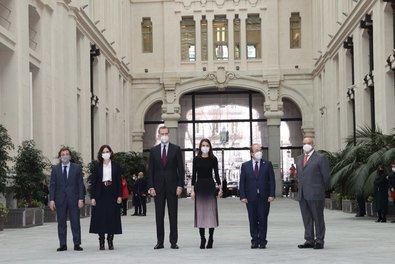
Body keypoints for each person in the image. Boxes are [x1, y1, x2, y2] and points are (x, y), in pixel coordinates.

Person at [148, 126, 185, 249]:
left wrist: (180, 185)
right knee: (159, 216)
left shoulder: (176, 149)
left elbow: (181, 169)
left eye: (166, 133)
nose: (164, 135)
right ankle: (160, 242)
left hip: (172, 187)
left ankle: (173, 242)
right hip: (158, 188)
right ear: (159, 135)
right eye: (162, 133)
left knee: (173, 215)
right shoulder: (153, 151)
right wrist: (151, 187)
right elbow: (150, 171)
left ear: (168, 134)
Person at [296, 137, 331, 250]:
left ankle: (319, 240)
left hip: (316, 193)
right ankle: (309, 240)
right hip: (302, 194)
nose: (306, 145)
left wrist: (321, 190)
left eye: (309, 143)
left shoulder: (320, 158)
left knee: (318, 217)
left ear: (313, 145)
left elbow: (326, 177)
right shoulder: (299, 158)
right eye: (304, 143)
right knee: (307, 218)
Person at [239, 143, 275, 249]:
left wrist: (272, 194)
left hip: (264, 197)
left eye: (260, 150)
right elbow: (242, 182)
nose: (259, 152)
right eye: (256, 150)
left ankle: (263, 240)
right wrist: (242, 196)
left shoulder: (267, 164)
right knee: (253, 219)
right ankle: (254, 240)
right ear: (251, 153)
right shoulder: (245, 166)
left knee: (263, 218)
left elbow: (271, 181)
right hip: (250, 197)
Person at [49, 146, 85, 252]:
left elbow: (80, 184)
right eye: (63, 154)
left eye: (66, 154)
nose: (65, 156)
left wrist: (81, 199)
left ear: (70, 156)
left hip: (74, 199)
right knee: (61, 223)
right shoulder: (55, 169)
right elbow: (52, 185)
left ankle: (77, 244)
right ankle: (63, 244)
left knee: (75, 222)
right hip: (60, 200)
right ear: (60, 157)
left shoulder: (77, 167)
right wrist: (51, 200)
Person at [89, 145, 122, 250]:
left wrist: (119, 195)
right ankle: (101, 240)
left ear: (111, 153)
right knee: (100, 217)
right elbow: (93, 183)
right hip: (100, 193)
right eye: (104, 152)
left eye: (107, 151)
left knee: (112, 216)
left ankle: (110, 239)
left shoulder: (116, 166)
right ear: (101, 154)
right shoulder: (97, 166)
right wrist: (93, 197)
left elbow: (119, 182)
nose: (106, 153)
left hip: (112, 192)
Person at [191, 139, 222, 249]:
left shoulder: (213, 159)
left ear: (210, 147)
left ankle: (211, 238)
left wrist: (220, 187)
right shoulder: (196, 159)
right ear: (200, 147)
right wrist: (192, 190)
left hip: (210, 186)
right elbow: (193, 175)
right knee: (201, 214)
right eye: (203, 145)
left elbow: (217, 174)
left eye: (207, 145)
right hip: (199, 186)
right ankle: (202, 238)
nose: (205, 147)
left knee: (210, 213)